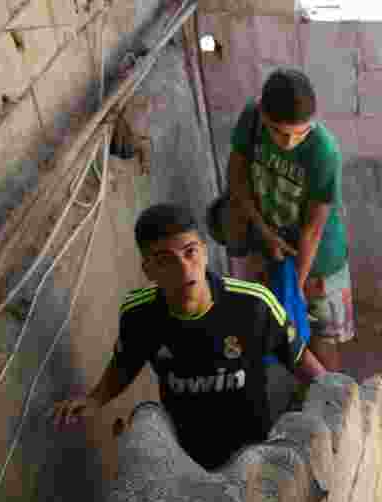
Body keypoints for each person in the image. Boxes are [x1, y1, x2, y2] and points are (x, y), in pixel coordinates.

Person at [52, 203, 326, 471]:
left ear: (205, 253)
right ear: (148, 270)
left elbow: (300, 359)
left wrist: (336, 400)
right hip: (183, 459)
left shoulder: (253, 304)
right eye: (165, 260)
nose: (183, 268)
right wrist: (95, 399)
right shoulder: (139, 314)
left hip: (251, 458)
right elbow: (125, 364)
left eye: (190, 252)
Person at [221, 67, 354, 373]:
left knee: (320, 338)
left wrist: (295, 288)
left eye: (300, 133)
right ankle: (305, 391)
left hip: (319, 259)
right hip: (271, 246)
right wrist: (263, 230)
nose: (288, 142)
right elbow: (237, 177)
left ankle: (328, 398)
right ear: (263, 115)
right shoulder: (252, 119)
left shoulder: (323, 151)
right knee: (281, 332)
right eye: (279, 132)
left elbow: (313, 230)